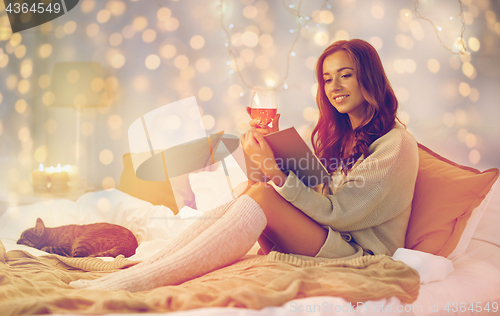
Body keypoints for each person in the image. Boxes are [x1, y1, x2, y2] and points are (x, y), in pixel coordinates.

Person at [69, 39, 418, 292]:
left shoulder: (396, 145)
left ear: (368, 79)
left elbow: (340, 213)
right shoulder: (339, 139)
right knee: (255, 191)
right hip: (326, 236)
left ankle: (139, 280)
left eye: (346, 75)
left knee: (264, 197)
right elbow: (316, 195)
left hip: (358, 253)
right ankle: (144, 267)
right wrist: (267, 157)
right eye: (327, 79)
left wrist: (278, 175)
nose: (334, 87)